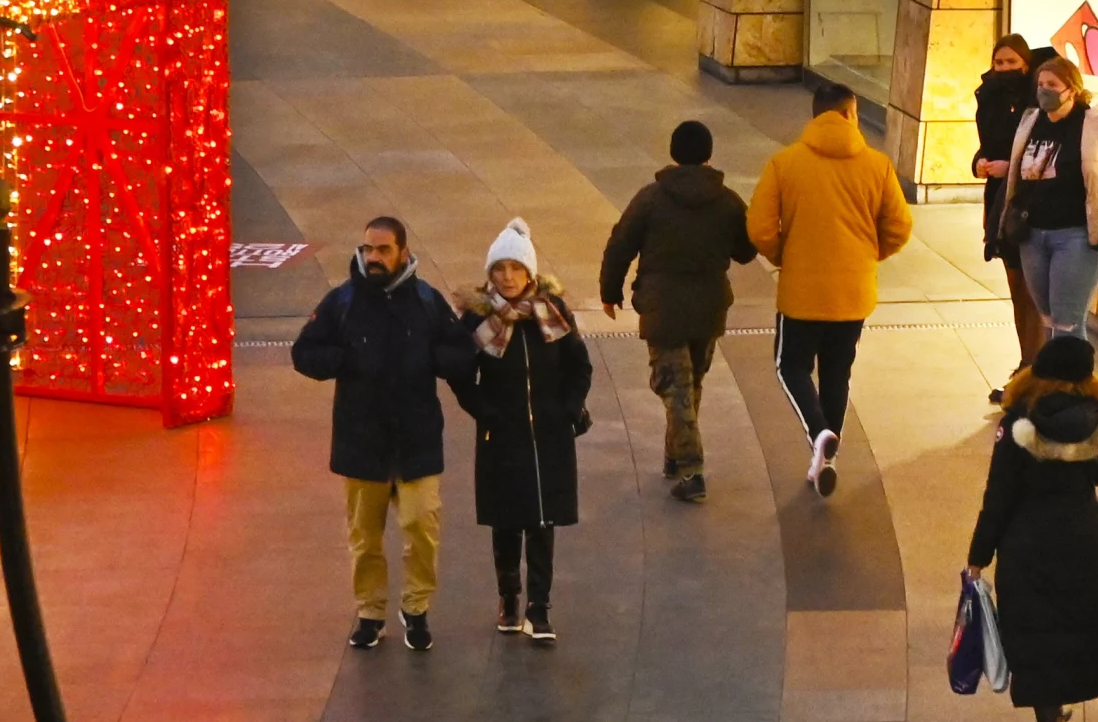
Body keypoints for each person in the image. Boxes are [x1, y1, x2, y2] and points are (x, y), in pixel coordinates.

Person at [288, 216, 467, 654]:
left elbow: (460, 350)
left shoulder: (426, 301)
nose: (373, 258)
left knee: (421, 526)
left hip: (416, 441)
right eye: (368, 249)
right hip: (361, 443)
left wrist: (440, 358)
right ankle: (370, 613)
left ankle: (416, 607)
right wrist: (341, 360)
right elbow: (304, 351)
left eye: (383, 250)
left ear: (403, 252)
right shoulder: (343, 301)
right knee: (364, 536)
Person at [964, 333, 1098, 722]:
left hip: (1028, 542)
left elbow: (999, 493)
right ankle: (1064, 706)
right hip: (1083, 537)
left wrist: (978, 554)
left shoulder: (1019, 421)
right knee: (1077, 627)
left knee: (1037, 635)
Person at [746, 93, 913, 497]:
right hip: (853, 292)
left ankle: (820, 433)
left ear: (816, 115)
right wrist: (868, 255)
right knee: (837, 373)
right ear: (850, 114)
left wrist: (785, 255)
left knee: (791, 366)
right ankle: (827, 460)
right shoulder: (878, 165)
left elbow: (760, 229)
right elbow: (899, 226)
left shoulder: (785, 163)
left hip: (802, 291)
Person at [598, 118, 754, 504]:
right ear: (708, 155)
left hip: (662, 306)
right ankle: (675, 456)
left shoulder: (651, 197)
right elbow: (747, 250)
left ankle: (691, 469)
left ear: (673, 153)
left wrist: (610, 291)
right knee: (690, 383)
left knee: (676, 387)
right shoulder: (729, 201)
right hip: (709, 306)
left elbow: (621, 243)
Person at [453, 218, 590, 643]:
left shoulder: (552, 314)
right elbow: (460, 376)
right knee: (507, 520)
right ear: (490, 273)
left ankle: (540, 607)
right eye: (500, 269)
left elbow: (579, 366)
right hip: (503, 434)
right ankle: (509, 598)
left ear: (530, 272)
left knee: (543, 520)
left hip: (549, 434)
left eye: (515, 268)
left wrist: (567, 410)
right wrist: (486, 413)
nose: (508, 277)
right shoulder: (477, 320)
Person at [992, 49, 1098, 344]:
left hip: (1076, 237)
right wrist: (997, 228)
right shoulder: (1030, 121)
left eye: (1052, 85)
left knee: (1067, 321)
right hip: (1033, 235)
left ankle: (1075, 384)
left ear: (1072, 90)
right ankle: (1050, 383)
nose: (1044, 91)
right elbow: (1015, 179)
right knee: (1046, 317)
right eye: (1041, 84)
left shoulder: (1094, 127)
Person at [973, 33, 1044, 377]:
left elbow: (1041, 152)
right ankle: (1025, 362)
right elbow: (987, 144)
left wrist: (1009, 167)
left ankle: (1035, 364)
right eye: (998, 63)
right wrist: (980, 163)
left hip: (1028, 203)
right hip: (1000, 202)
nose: (1003, 69)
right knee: (1016, 289)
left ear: (1025, 64)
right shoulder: (989, 98)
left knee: (1033, 292)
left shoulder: (1037, 103)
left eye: (1011, 62)